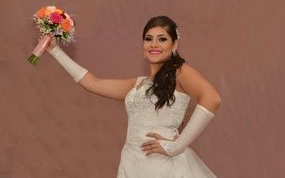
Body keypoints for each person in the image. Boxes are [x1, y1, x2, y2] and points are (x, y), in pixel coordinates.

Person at [44, 15, 221, 177]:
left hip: (164, 165)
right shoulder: (137, 84)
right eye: (148, 39)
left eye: (162, 39)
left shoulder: (180, 72)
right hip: (133, 162)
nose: (154, 45)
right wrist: (55, 51)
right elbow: (93, 83)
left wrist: (177, 146)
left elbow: (212, 98)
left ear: (174, 45)